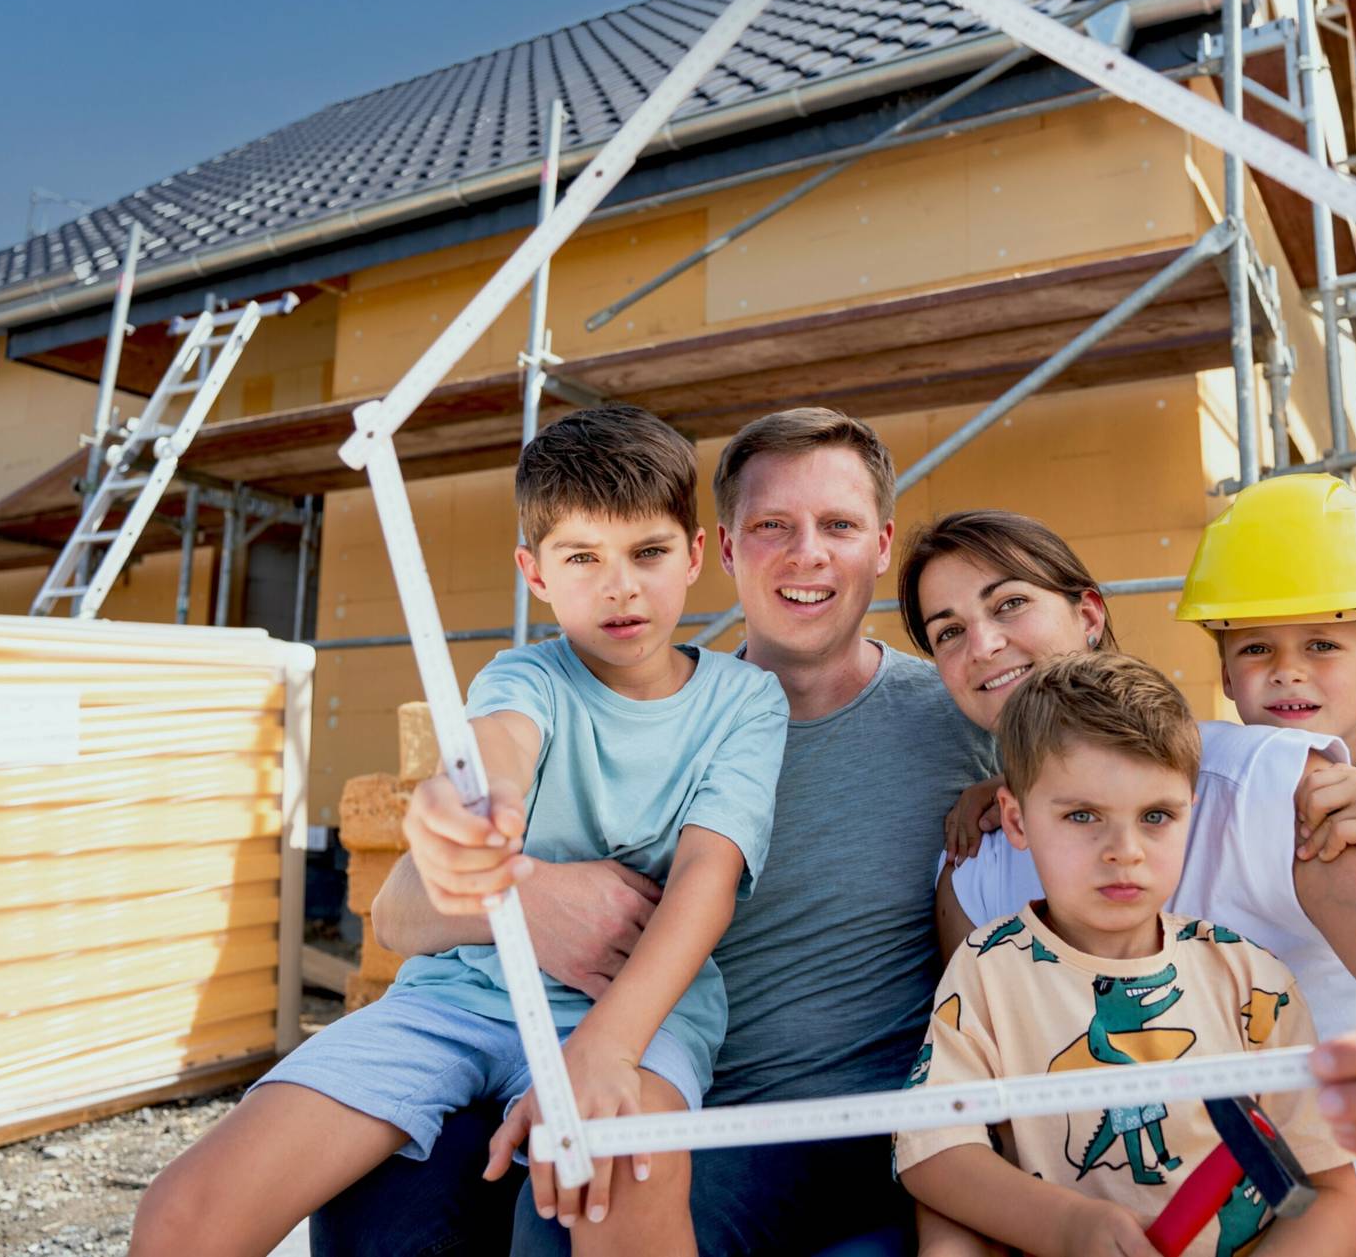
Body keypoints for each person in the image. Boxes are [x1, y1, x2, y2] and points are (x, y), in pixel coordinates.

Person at [326, 408, 997, 1256]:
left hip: (869, 1119)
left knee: (582, 1196)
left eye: (838, 525)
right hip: (665, 1090)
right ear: (720, 547)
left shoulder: (959, 717)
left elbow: (1131, 774)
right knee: (389, 1192)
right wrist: (529, 896)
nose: (807, 553)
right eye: (771, 527)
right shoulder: (652, 704)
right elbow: (396, 914)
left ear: (882, 542)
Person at [133, 403, 789, 1257]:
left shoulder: (744, 702)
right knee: (182, 1214)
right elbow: (497, 748)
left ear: (696, 555)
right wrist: (459, 804)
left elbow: (707, 878)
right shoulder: (523, 677)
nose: (620, 586)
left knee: (625, 1185)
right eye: (582, 557)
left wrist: (605, 1050)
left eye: (649, 553)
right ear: (534, 571)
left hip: (634, 1011)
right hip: (454, 1000)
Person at [902, 506, 1356, 1255]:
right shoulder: (974, 869)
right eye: (948, 631)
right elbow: (973, 1137)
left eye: (1009, 604)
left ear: (1089, 613)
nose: (985, 643)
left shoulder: (1272, 789)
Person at [897, 653, 1356, 1257]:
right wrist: (1068, 1227)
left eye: (1155, 817)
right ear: (1016, 819)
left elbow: (1326, 1196)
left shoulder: (1251, 976)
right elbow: (932, 1153)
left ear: (1189, 815)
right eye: (1083, 816)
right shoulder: (988, 969)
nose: (1124, 851)